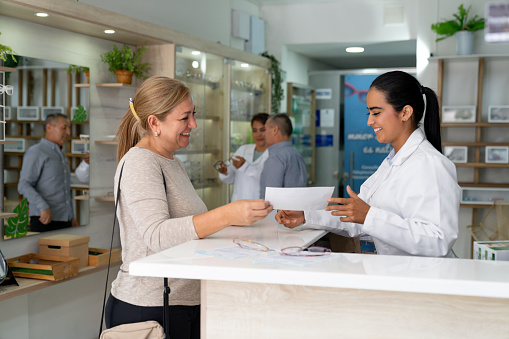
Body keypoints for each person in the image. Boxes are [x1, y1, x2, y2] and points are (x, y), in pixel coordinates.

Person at [104, 76, 272, 339]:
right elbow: (157, 235)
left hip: (183, 302)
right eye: (185, 118)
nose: (193, 124)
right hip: (149, 307)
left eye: (193, 114)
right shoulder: (139, 163)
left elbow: (187, 228)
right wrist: (226, 213)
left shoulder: (172, 162)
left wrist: (234, 219)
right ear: (154, 122)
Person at [276, 71, 460, 258]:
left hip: (424, 279)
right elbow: (355, 216)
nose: (369, 121)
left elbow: (438, 240)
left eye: (376, 113)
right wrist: (306, 216)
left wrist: (370, 216)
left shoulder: (430, 165)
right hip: (397, 273)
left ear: (405, 112)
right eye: (369, 113)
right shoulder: (392, 162)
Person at [18, 113, 77, 232]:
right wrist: (43, 206)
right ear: (49, 127)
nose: (68, 133)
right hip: (45, 221)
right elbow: (24, 185)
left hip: (64, 221)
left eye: (68, 128)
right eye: (64, 127)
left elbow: (63, 190)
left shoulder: (60, 155)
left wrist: (70, 216)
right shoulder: (36, 152)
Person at [217, 113, 269, 201]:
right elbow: (231, 179)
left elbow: (269, 181)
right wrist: (225, 172)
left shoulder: (274, 155)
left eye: (262, 130)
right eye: (254, 130)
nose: (258, 134)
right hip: (238, 204)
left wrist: (245, 167)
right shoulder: (243, 150)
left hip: (261, 206)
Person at [259, 113, 307, 199]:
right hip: (295, 210)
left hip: (279, 212)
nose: (263, 134)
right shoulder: (296, 154)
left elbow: (271, 199)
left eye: (264, 129)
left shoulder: (276, 157)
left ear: (275, 130)